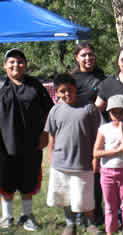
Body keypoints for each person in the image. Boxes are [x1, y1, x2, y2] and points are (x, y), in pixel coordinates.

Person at [0, 48, 53, 231]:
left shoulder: (35, 86)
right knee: (5, 180)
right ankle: (6, 217)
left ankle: (27, 215)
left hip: (31, 143)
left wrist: (45, 133)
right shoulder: (0, 86)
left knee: (28, 180)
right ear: (5, 65)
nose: (16, 65)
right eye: (12, 62)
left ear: (26, 65)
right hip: (4, 145)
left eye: (20, 61)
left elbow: (50, 111)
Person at [44, 74, 101, 235]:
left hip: (83, 161)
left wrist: (96, 157)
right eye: (62, 91)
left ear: (75, 88)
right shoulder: (55, 110)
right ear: (57, 93)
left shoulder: (88, 107)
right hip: (61, 162)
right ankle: (70, 224)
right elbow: (53, 137)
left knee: (85, 195)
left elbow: (99, 135)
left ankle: (90, 224)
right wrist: (52, 158)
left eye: (70, 89)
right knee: (65, 195)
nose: (67, 94)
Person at [71, 42, 106, 226]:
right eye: (83, 55)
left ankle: (97, 213)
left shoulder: (103, 77)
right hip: (78, 132)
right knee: (79, 175)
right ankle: (79, 214)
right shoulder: (72, 79)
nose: (87, 58)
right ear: (77, 57)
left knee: (97, 174)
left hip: (100, 131)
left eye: (90, 55)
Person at [93, 95, 123, 235]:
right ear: (108, 113)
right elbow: (96, 152)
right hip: (107, 172)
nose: (117, 115)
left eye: (120, 112)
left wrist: (122, 131)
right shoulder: (103, 129)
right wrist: (115, 151)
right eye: (113, 112)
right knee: (110, 206)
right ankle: (110, 231)